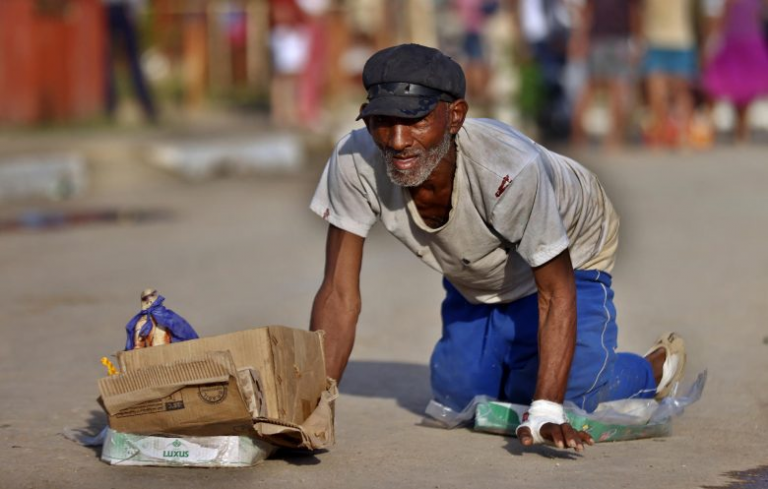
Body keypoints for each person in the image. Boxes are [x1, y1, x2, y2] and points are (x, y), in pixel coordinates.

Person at [309, 44, 687, 452]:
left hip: (571, 252)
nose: (397, 141)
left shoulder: (508, 169)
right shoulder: (353, 160)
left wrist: (545, 410)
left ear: (455, 116)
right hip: (480, 265)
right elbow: (338, 293)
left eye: (415, 119)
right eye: (381, 121)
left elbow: (556, 291)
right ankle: (517, 349)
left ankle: (648, 370)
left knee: (573, 396)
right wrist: (309, 408)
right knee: (461, 399)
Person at [570, 0, 643, 150]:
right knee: (617, 88)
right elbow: (635, 12)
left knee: (591, 88)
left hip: (598, 39)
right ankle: (614, 138)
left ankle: (578, 135)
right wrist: (638, 41)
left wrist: (580, 37)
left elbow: (587, 12)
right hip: (618, 40)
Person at [701, 0, 768, 142]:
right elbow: (720, 20)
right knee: (733, 86)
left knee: (746, 90)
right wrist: (712, 41)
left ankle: (742, 128)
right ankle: (738, 128)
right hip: (734, 43)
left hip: (750, 44)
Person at [103, 0, 157, 123]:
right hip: (117, 9)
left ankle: (111, 107)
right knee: (112, 61)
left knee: (110, 61)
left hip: (116, 8)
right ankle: (110, 106)